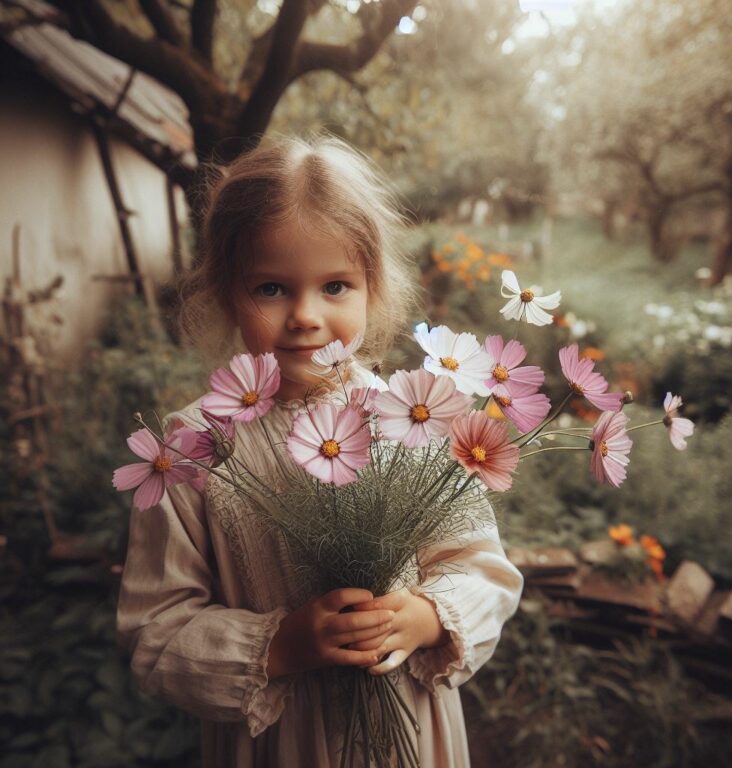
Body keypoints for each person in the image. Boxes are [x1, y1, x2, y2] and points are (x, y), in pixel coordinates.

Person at [116, 135, 524, 767]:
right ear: (226, 292)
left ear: (372, 288)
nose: (305, 315)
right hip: (278, 742)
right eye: (272, 288)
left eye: (335, 285)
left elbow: (483, 568)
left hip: (408, 734)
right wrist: (279, 647)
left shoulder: (414, 415)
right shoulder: (193, 450)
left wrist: (425, 617)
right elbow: (154, 635)